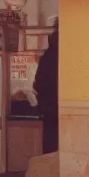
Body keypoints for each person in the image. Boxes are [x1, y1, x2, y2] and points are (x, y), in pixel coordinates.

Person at [34, 17, 59, 154]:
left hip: (49, 112)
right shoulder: (70, 52)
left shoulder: (47, 56)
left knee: (50, 153)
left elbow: (38, 84)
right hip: (66, 112)